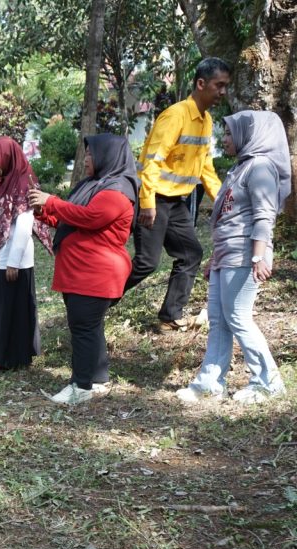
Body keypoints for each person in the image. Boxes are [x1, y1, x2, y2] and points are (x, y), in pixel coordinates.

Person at [176, 110, 291, 405]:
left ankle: (268, 382)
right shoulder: (242, 168)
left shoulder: (261, 168)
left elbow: (263, 216)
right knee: (218, 319)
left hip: (244, 255)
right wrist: (215, 257)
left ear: (249, 135)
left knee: (238, 317)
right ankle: (209, 384)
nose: (224, 139)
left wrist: (258, 257)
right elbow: (229, 218)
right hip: (227, 255)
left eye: (229, 133)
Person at [28, 134, 139, 405]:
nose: (87, 159)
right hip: (81, 271)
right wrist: (45, 211)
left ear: (108, 156)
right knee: (89, 327)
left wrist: (52, 201)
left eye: (91, 154)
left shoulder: (117, 190)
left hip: (95, 273)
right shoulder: (93, 185)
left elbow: (90, 218)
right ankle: (98, 379)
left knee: (83, 329)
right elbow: (70, 218)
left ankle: (81, 386)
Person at [123, 57, 231, 332]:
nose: (223, 92)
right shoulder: (176, 115)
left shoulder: (205, 121)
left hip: (177, 202)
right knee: (147, 262)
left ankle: (171, 314)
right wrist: (147, 203)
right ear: (200, 83)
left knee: (191, 252)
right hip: (155, 198)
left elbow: (205, 167)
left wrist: (222, 200)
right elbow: (152, 161)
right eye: (219, 85)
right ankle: (98, 302)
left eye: (226, 87)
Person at [0, 137, 53, 377]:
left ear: (7, 156)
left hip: (11, 260)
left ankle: (6, 357)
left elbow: (25, 225)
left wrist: (13, 261)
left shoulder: (24, 183)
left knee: (8, 310)